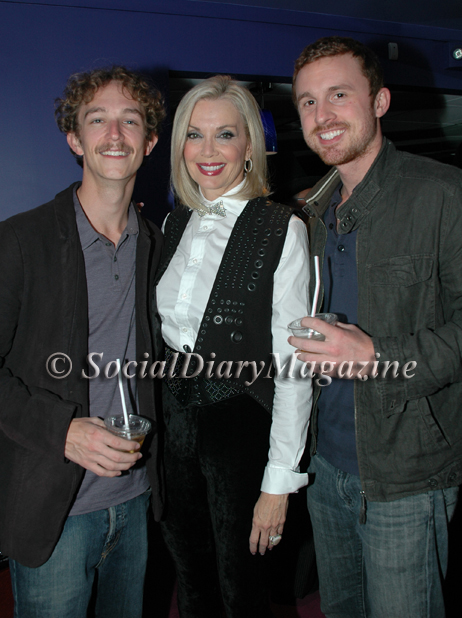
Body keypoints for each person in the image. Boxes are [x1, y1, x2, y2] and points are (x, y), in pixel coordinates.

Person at [289, 36, 462, 618]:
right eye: (308, 102)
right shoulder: (311, 212)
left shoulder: (443, 195)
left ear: (380, 101)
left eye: (339, 95)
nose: (322, 116)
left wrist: (377, 357)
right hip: (324, 466)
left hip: (407, 476)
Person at [0, 65, 165, 617]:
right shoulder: (23, 241)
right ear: (75, 138)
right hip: (55, 509)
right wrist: (62, 430)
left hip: (137, 502)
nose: (114, 134)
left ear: (150, 141)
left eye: (130, 121)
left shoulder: (156, 246)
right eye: (98, 120)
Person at [155, 75, 312, 618]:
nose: (208, 151)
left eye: (225, 134)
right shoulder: (172, 223)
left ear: (250, 144)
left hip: (240, 424)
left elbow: (294, 364)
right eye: (194, 135)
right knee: (191, 581)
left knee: (242, 590)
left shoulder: (281, 229)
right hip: (172, 425)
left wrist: (279, 481)